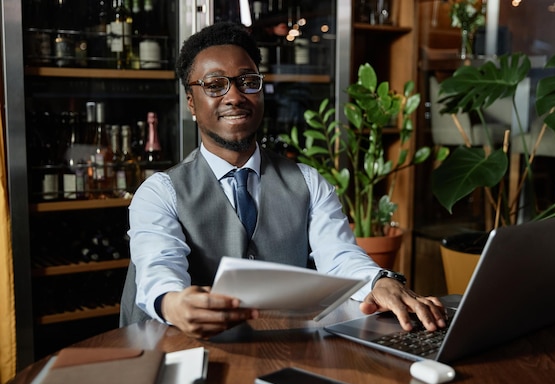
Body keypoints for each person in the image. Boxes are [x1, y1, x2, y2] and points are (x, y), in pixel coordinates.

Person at [119, 21, 446, 339]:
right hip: (191, 353)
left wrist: (378, 280)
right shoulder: (160, 193)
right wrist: (174, 303)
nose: (234, 96)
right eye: (215, 85)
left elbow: (339, 254)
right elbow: (158, 267)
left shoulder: (307, 181)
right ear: (191, 101)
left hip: (285, 349)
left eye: (247, 81)